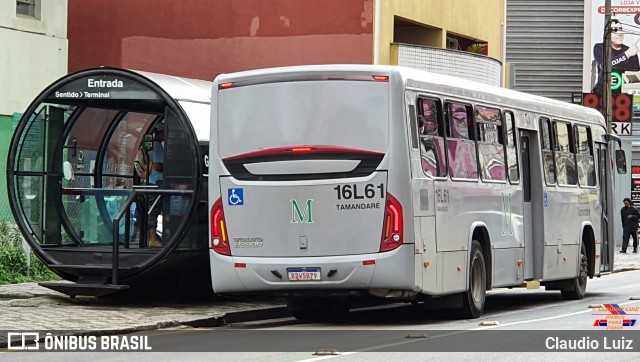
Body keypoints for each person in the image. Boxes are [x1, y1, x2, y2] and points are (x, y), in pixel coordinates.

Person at [592, 23, 640, 94]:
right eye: (615, 30)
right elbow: (604, 66)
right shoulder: (599, 48)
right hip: (602, 93)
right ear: (607, 33)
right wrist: (626, 55)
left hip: (624, 95)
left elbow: (635, 79)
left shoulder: (631, 51)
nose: (619, 33)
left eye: (620, 29)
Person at [147, 125, 164, 248]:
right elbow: (157, 165)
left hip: (150, 181)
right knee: (154, 210)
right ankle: (152, 238)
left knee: (151, 209)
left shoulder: (148, 146)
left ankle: (150, 237)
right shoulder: (157, 145)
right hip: (157, 182)